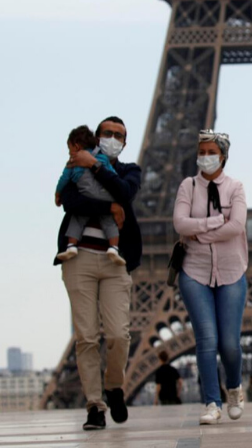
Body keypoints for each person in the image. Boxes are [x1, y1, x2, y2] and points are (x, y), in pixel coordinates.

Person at [54, 116, 142, 431]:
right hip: (78, 260)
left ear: (125, 142)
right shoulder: (76, 163)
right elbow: (69, 200)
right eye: (108, 133)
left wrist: (94, 166)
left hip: (115, 262)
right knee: (86, 338)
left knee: (119, 334)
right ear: (97, 135)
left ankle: (114, 385)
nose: (113, 138)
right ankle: (95, 405)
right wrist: (109, 208)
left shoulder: (130, 171)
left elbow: (124, 193)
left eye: (119, 135)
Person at [173, 130, 248, 425]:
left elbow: (237, 226)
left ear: (223, 156)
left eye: (210, 152)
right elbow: (179, 223)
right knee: (206, 339)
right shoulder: (187, 186)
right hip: (194, 271)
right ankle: (211, 402)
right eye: (201, 151)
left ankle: (233, 388)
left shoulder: (236, 187)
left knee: (229, 343)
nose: (204, 157)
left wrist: (199, 230)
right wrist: (217, 222)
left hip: (231, 270)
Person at [55, 126, 125, 266]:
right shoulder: (101, 157)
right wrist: (111, 205)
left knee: (77, 219)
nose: (69, 153)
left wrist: (57, 193)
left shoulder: (73, 161)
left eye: (69, 149)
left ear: (76, 146)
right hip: (105, 195)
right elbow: (113, 177)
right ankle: (114, 248)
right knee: (109, 222)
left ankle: (71, 246)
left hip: (87, 194)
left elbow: (64, 179)